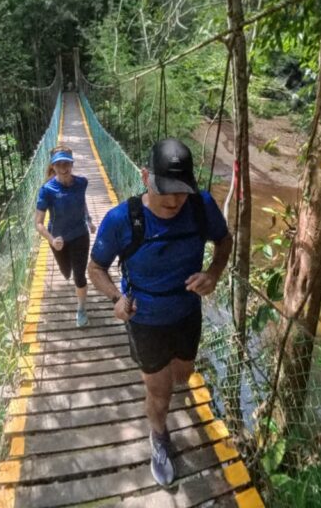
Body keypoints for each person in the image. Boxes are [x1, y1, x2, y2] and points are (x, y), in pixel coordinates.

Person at [88, 138, 232, 486]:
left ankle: (159, 382)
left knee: (182, 375)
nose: (173, 200)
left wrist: (212, 273)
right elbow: (95, 269)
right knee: (160, 391)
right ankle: (158, 436)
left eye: (182, 191)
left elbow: (224, 241)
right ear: (145, 177)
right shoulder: (122, 219)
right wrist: (115, 300)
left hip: (186, 313)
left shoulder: (201, 206)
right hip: (145, 319)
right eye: (166, 190)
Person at [35, 145, 96, 327]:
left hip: (80, 235)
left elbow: (81, 202)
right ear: (53, 167)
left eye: (66, 163)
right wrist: (52, 240)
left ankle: (81, 309)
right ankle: (67, 271)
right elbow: (38, 223)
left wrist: (89, 219)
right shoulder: (47, 190)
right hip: (59, 240)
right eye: (59, 164)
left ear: (72, 164)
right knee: (66, 272)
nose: (63, 168)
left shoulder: (81, 183)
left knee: (79, 275)